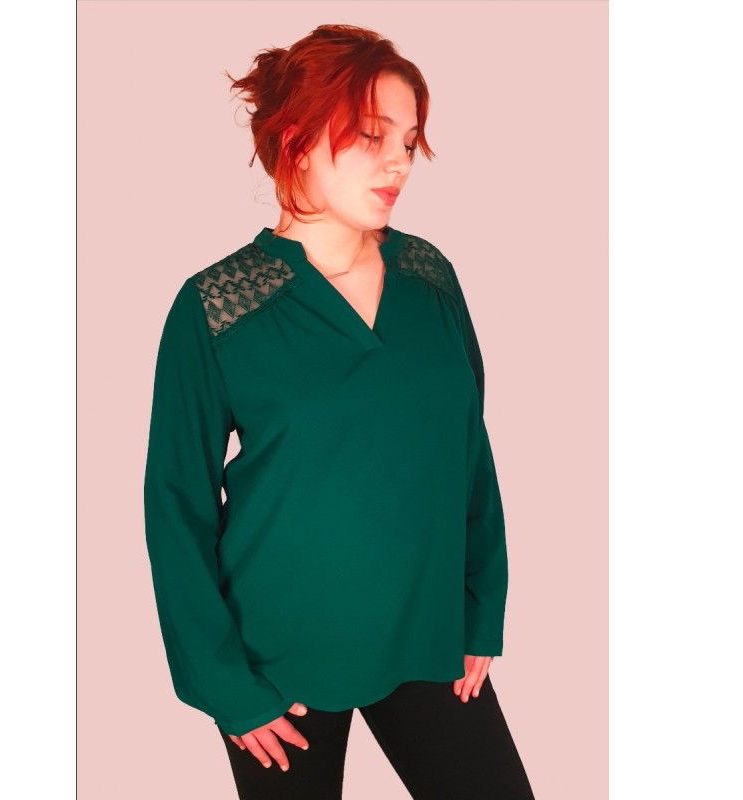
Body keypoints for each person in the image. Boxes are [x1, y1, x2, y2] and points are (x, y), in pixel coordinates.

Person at [143, 23, 535, 800]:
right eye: (372, 136)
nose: (399, 162)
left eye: (409, 141)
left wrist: (480, 605)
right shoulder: (216, 307)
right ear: (296, 140)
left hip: (428, 636)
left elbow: (467, 450)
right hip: (277, 666)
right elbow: (176, 504)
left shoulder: (429, 276)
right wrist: (226, 686)